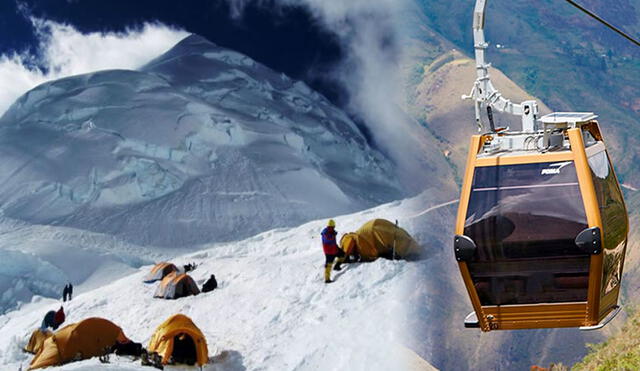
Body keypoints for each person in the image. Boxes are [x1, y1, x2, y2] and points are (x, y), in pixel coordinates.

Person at [321, 219, 345, 283]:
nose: (334, 227)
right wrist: (333, 234)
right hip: (329, 252)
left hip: (334, 249)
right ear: (331, 226)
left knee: (343, 255)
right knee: (328, 265)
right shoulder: (325, 232)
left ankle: (337, 266)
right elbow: (328, 239)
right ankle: (327, 279)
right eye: (333, 226)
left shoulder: (331, 231)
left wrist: (333, 233)